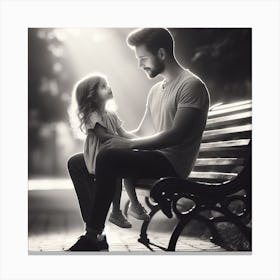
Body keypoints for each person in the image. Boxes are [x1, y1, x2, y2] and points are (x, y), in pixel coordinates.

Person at [67, 28, 210, 251]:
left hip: (171, 164)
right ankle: (94, 229)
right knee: (77, 163)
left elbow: (176, 135)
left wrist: (126, 145)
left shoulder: (191, 86)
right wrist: (116, 136)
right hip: (152, 157)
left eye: (143, 58)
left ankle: (93, 235)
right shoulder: (155, 91)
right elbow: (142, 134)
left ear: (161, 54)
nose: (140, 65)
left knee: (109, 158)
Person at [67, 74, 150, 235]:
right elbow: (103, 136)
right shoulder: (93, 114)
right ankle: (117, 212)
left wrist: (142, 142)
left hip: (111, 151)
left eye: (108, 84)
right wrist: (125, 143)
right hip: (98, 155)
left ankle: (133, 205)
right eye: (103, 86)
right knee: (117, 167)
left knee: (126, 161)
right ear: (92, 95)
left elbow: (124, 133)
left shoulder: (111, 114)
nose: (109, 88)